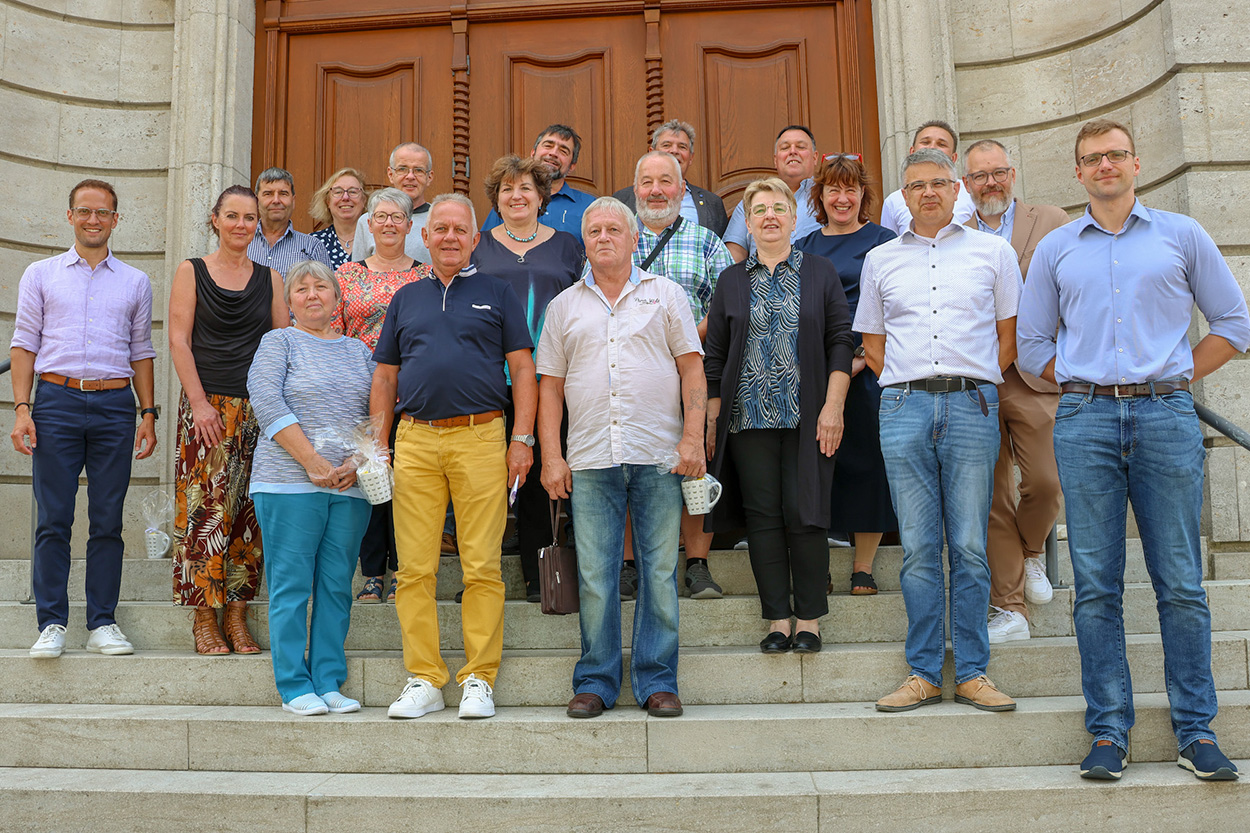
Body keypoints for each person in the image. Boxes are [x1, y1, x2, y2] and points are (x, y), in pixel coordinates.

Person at [1018, 119, 1250, 782]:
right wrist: (1084, 378)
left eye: (1116, 154)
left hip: (1165, 417)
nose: (1106, 166)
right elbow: (1033, 345)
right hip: (1085, 419)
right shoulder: (1059, 249)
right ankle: (1108, 731)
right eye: (1093, 159)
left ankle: (1196, 730)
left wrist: (1174, 375)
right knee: (1094, 585)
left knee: (1179, 580)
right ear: (1079, 172)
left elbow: (1233, 324)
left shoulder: (1182, 235)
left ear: (1136, 163)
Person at [857, 148, 1021, 713]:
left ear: (959, 191)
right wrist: (909, 386)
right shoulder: (880, 260)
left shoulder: (994, 253)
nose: (928, 192)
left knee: (970, 547)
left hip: (972, 405)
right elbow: (872, 346)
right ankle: (925, 672)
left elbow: (1008, 338)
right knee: (920, 549)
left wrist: (971, 383)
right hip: (903, 407)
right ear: (903, 197)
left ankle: (973, 671)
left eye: (938, 183)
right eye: (916, 185)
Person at [536, 196, 706, 718]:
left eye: (615, 229)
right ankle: (596, 680)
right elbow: (550, 388)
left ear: (635, 240)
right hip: (588, 457)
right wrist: (551, 456)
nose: (604, 237)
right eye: (594, 231)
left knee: (657, 573)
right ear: (583, 243)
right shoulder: (564, 305)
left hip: (659, 455)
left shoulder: (667, 295)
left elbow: (692, 370)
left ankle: (657, 681)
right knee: (595, 575)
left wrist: (693, 439)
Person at [371, 194, 537, 721]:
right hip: (415, 440)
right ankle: (424, 677)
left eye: (458, 230)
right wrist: (378, 445)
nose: (447, 237)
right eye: (439, 228)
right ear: (426, 237)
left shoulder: (498, 292)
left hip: (482, 437)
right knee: (414, 569)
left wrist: (523, 439)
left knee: (482, 565)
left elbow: (524, 370)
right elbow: (385, 377)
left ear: (473, 238)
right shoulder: (407, 298)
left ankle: (479, 679)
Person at [704, 177, 853, 654]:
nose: (770, 216)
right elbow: (715, 355)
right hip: (746, 419)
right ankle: (777, 621)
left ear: (793, 218)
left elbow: (839, 342)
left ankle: (808, 619)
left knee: (805, 514)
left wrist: (833, 406)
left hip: (808, 415)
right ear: (748, 224)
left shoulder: (820, 271)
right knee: (763, 518)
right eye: (760, 210)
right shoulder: (730, 281)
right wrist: (709, 419)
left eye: (779, 208)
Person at [12, 179, 157, 659]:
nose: (93, 220)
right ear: (70, 215)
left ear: (116, 220)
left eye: (103, 213)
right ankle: (52, 622)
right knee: (53, 518)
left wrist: (148, 413)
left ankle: (103, 622)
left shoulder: (136, 281)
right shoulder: (40, 274)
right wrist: (22, 409)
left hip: (116, 406)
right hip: (56, 401)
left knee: (107, 519)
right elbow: (24, 343)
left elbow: (141, 351)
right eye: (84, 211)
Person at [248, 261, 374, 715]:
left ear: (338, 299)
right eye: (301, 289)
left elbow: (373, 414)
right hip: (287, 482)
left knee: (337, 585)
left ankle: (328, 679)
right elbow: (265, 399)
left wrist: (356, 463)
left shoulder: (360, 351)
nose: (312, 294)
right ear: (289, 302)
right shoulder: (277, 342)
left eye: (322, 287)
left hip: (348, 485)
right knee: (291, 586)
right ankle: (294, 686)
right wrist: (312, 462)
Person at [169, 185, 288, 654]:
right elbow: (179, 341)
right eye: (233, 216)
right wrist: (199, 404)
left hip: (259, 408)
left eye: (250, 218)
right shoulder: (191, 271)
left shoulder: (272, 277)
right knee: (205, 513)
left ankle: (237, 616)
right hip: (207, 407)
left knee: (248, 515)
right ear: (215, 220)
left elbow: (281, 344)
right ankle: (204, 617)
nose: (242, 225)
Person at [961, 139, 1069, 643]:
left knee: (1046, 482)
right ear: (966, 184)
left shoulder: (1050, 220)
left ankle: (1030, 552)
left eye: (997, 173)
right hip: (977, 379)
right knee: (991, 496)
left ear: (1013, 174)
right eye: (979, 176)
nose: (990, 183)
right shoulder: (955, 236)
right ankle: (1010, 609)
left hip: (1034, 377)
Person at [619, 150, 734, 601]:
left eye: (666, 181)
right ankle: (628, 566)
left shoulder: (707, 242)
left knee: (696, 463)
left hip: (695, 368)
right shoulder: (615, 237)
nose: (656, 190)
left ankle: (697, 565)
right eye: (646, 182)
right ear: (635, 191)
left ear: (682, 190)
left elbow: (726, 304)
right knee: (625, 462)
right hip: (629, 373)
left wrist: (681, 338)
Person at [473, 155, 583, 602]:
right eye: (506, 190)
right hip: (486, 376)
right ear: (496, 200)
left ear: (542, 197)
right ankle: (481, 580)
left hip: (553, 374)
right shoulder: (477, 246)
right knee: (484, 478)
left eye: (525, 189)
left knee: (542, 474)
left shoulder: (568, 245)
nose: (516, 196)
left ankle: (543, 576)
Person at [795, 154, 898, 595]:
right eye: (833, 189)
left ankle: (863, 566)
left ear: (863, 195)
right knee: (816, 465)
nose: (842, 197)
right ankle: (818, 563)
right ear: (819, 195)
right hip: (815, 368)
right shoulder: (804, 247)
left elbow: (897, 305)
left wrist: (857, 357)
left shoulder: (886, 240)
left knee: (868, 462)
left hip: (873, 366)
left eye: (850, 189)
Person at [333, 188, 433, 604]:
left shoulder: (426, 277)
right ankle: (372, 573)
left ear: (410, 226)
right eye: (381, 216)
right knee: (370, 483)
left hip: (413, 395)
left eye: (398, 217)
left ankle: (404, 573)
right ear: (368, 225)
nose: (389, 223)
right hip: (360, 393)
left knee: (409, 485)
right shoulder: (345, 276)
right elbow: (334, 336)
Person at [612, 119, 730, 237]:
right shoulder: (622, 199)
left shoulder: (712, 203)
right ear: (651, 152)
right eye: (666, 145)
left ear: (691, 157)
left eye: (682, 147)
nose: (674, 151)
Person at [481, 124, 597, 242]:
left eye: (563, 151)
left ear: (572, 166)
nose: (553, 153)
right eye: (548, 146)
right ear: (533, 153)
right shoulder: (510, 202)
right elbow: (486, 247)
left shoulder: (590, 206)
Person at [723, 125, 823, 261]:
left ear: (815, 157)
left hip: (814, 279)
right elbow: (732, 259)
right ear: (776, 160)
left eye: (800, 147)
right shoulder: (752, 202)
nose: (793, 152)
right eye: (785, 148)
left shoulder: (827, 198)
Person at [879, 120, 976, 236]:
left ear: (953, 158)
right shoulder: (893, 202)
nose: (932, 147)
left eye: (941, 144)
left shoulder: (971, 193)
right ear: (912, 151)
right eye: (925, 142)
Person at [353, 143, 434, 264]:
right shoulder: (368, 221)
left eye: (418, 170)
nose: (410, 176)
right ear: (391, 174)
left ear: (429, 177)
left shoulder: (439, 221)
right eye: (402, 169)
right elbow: (358, 275)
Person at [247, 167, 333, 272]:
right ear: (256, 201)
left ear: (293, 201)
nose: (276, 200)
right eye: (268, 194)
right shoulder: (241, 242)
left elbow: (327, 287)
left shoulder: (312, 247)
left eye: (283, 194)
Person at [309, 167, 368, 269]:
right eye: (338, 192)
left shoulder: (376, 240)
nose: (345, 197)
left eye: (353, 192)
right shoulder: (313, 242)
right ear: (328, 201)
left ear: (364, 200)